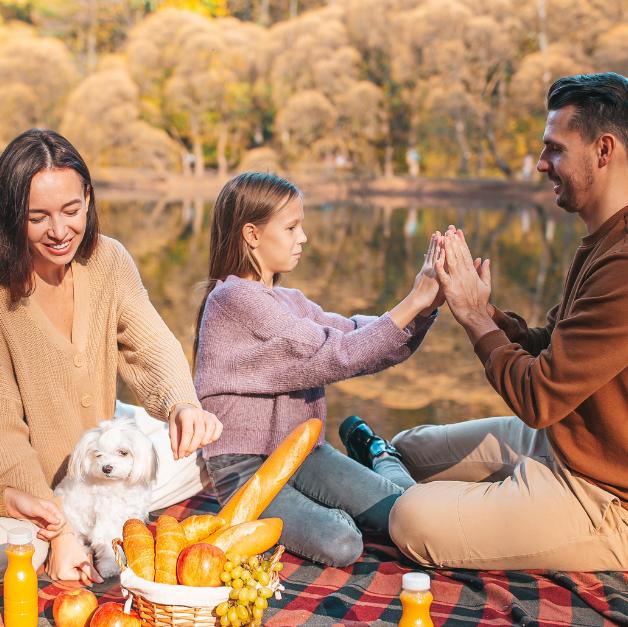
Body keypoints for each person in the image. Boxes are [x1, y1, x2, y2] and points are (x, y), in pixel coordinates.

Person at [377, 72, 628, 571]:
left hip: (605, 494)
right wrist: (488, 313)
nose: (541, 164)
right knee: (405, 449)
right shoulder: (602, 241)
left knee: (409, 520)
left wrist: (472, 318)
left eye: (554, 148)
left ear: (604, 150)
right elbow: (553, 348)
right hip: (566, 440)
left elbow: (539, 396)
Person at [0, 129, 223, 583]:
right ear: (10, 215)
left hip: (103, 455)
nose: (60, 231)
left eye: (71, 210)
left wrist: (182, 403)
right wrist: (60, 534)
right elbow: (4, 426)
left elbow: (151, 343)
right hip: (24, 475)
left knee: (212, 450)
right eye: (37, 217)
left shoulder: (109, 260)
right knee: (26, 553)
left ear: (88, 197)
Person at [193, 172, 442, 568]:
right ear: (252, 235)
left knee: (409, 511)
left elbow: (361, 339)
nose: (303, 236)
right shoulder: (232, 299)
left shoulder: (289, 300)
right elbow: (336, 354)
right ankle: (351, 490)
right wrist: (411, 302)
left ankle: (378, 453)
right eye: (291, 226)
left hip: (303, 454)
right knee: (343, 543)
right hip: (247, 467)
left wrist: (425, 307)